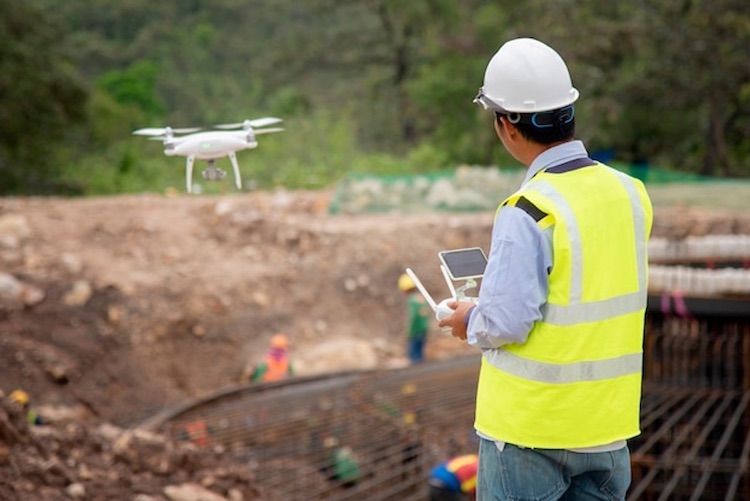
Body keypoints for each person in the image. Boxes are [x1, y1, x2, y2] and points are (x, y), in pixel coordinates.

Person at [438, 38, 653, 500]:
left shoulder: (529, 210)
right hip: (606, 430)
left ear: (506, 126)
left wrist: (467, 319)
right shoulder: (631, 195)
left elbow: (505, 322)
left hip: (528, 434)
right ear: (569, 112)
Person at [399, 272, 431, 363]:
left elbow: (412, 317)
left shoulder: (411, 301)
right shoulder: (420, 298)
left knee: (414, 356)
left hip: (415, 331)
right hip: (423, 330)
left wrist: (409, 331)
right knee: (420, 355)